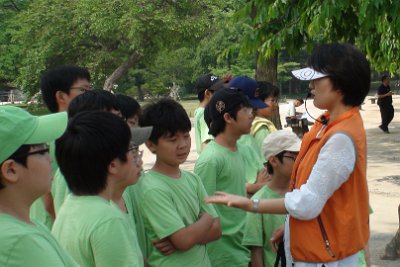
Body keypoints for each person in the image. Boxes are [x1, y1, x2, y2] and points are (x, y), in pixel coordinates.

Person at [205, 43, 371, 266]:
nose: (311, 85)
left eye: (317, 78)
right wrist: (291, 227)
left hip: (326, 255)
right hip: (318, 248)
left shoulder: (341, 137)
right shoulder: (327, 125)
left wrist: (250, 204)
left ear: (339, 85)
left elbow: (308, 202)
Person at [52, 111, 147, 267]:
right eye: (133, 152)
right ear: (113, 165)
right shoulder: (108, 219)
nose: (138, 160)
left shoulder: (69, 207)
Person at [136, 99, 221, 267]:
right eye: (172, 140)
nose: (182, 145)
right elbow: (185, 239)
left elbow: (217, 229)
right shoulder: (152, 187)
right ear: (151, 145)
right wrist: (204, 221)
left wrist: (187, 237)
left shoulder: (192, 179)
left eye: (185, 136)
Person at [0, 106, 78, 266]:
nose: (50, 159)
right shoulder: (19, 241)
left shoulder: (27, 225)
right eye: (42, 150)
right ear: (11, 170)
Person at [194, 88, 253, 267]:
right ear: (228, 118)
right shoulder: (211, 159)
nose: (252, 114)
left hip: (242, 248)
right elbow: (202, 210)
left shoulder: (237, 150)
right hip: (223, 256)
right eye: (245, 110)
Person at [29, 65, 91, 229]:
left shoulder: (51, 129)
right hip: (55, 227)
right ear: (61, 96)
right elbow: (48, 199)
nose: (90, 96)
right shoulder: (61, 133)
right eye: (84, 90)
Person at [52, 89, 121, 214]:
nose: (120, 125)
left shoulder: (109, 161)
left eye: (119, 117)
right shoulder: (72, 171)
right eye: (111, 118)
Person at [243, 130, 301, 267]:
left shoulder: (305, 191)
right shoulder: (258, 202)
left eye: (301, 154)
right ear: (273, 160)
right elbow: (256, 251)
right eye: (293, 156)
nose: (300, 160)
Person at [229, 76, 269, 196]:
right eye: (247, 108)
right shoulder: (239, 140)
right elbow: (247, 187)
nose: (252, 113)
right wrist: (260, 185)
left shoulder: (246, 136)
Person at [194, 74, 224, 154]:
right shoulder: (205, 114)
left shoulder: (199, 111)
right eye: (218, 91)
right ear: (207, 93)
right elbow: (207, 145)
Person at [251, 81, 279, 152]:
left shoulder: (249, 123)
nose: (276, 105)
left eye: (276, 101)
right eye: (272, 100)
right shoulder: (261, 129)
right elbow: (265, 159)